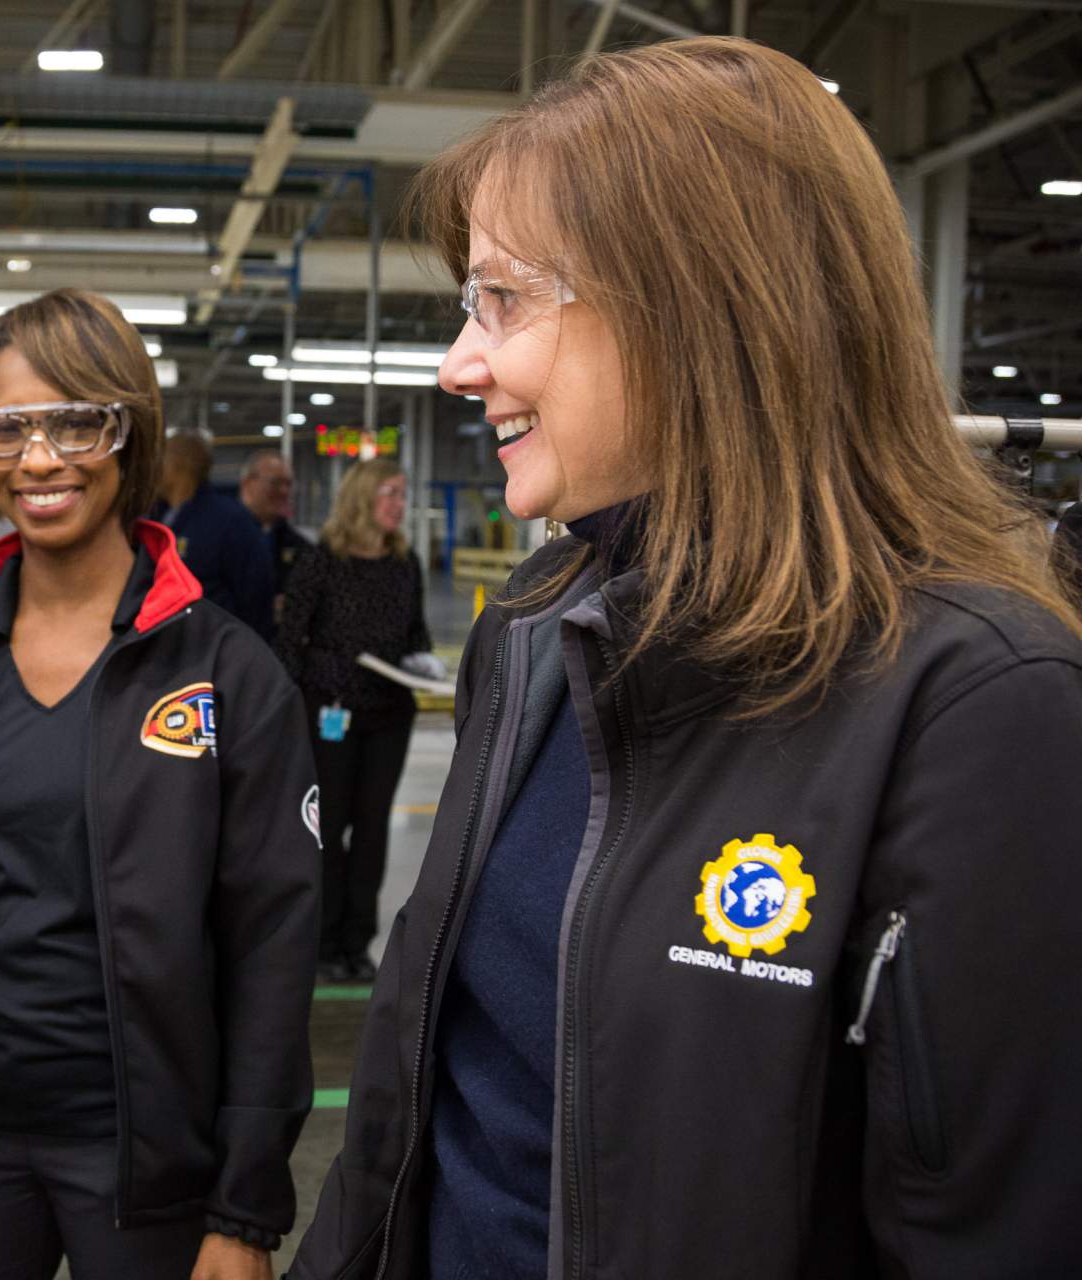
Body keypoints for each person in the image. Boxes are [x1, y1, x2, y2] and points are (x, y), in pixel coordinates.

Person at [287, 37, 1082, 1280]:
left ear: (690, 306)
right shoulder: (538, 625)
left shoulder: (983, 702)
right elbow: (419, 1097)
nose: (461, 362)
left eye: (501, 298)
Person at [0, 288, 319, 1280]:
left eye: (74, 421)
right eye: (7, 428)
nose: (39, 457)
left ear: (127, 432)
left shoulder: (226, 673)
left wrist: (245, 1207)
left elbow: (272, 947)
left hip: (150, 1165)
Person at [275, 459, 435, 984]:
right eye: (390, 493)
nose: (399, 504)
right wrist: (303, 697)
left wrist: (422, 663)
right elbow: (291, 642)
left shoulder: (403, 562)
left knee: (372, 830)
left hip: (388, 714)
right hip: (330, 712)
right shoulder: (323, 560)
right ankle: (322, 940)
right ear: (362, 498)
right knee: (329, 826)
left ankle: (357, 941)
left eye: (402, 494)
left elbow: (416, 634)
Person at [155, 432, 276, 638]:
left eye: (162, 459)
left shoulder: (230, 522)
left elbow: (255, 598)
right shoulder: (159, 516)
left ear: (181, 464)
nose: (154, 469)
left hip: (211, 652)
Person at [239, 448, 314, 607]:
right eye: (275, 482)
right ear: (247, 483)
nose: (284, 491)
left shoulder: (301, 547)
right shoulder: (222, 539)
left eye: (289, 484)